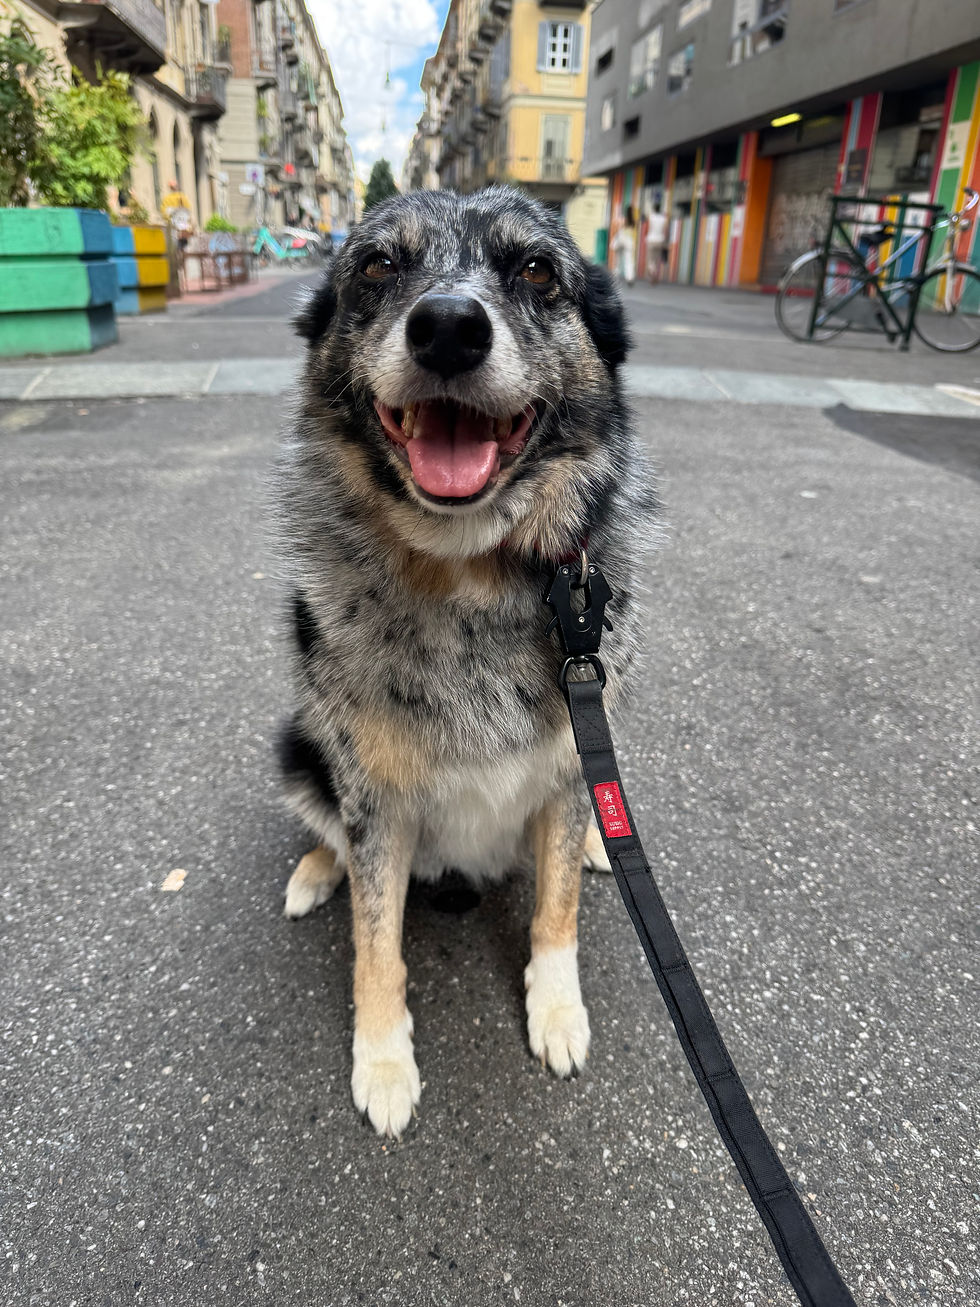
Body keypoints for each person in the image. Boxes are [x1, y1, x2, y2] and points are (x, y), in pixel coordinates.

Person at [612, 206, 637, 286]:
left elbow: (616, 226)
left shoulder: (623, 219)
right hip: (629, 241)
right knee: (629, 260)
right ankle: (629, 278)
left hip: (621, 240)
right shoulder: (633, 221)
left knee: (617, 259)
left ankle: (615, 276)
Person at [645, 202, 670, 283]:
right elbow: (665, 231)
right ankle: (654, 272)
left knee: (650, 259)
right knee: (656, 259)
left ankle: (652, 272)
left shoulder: (651, 217)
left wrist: (646, 237)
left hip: (651, 239)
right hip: (660, 240)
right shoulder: (664, 218)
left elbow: (648, 228)